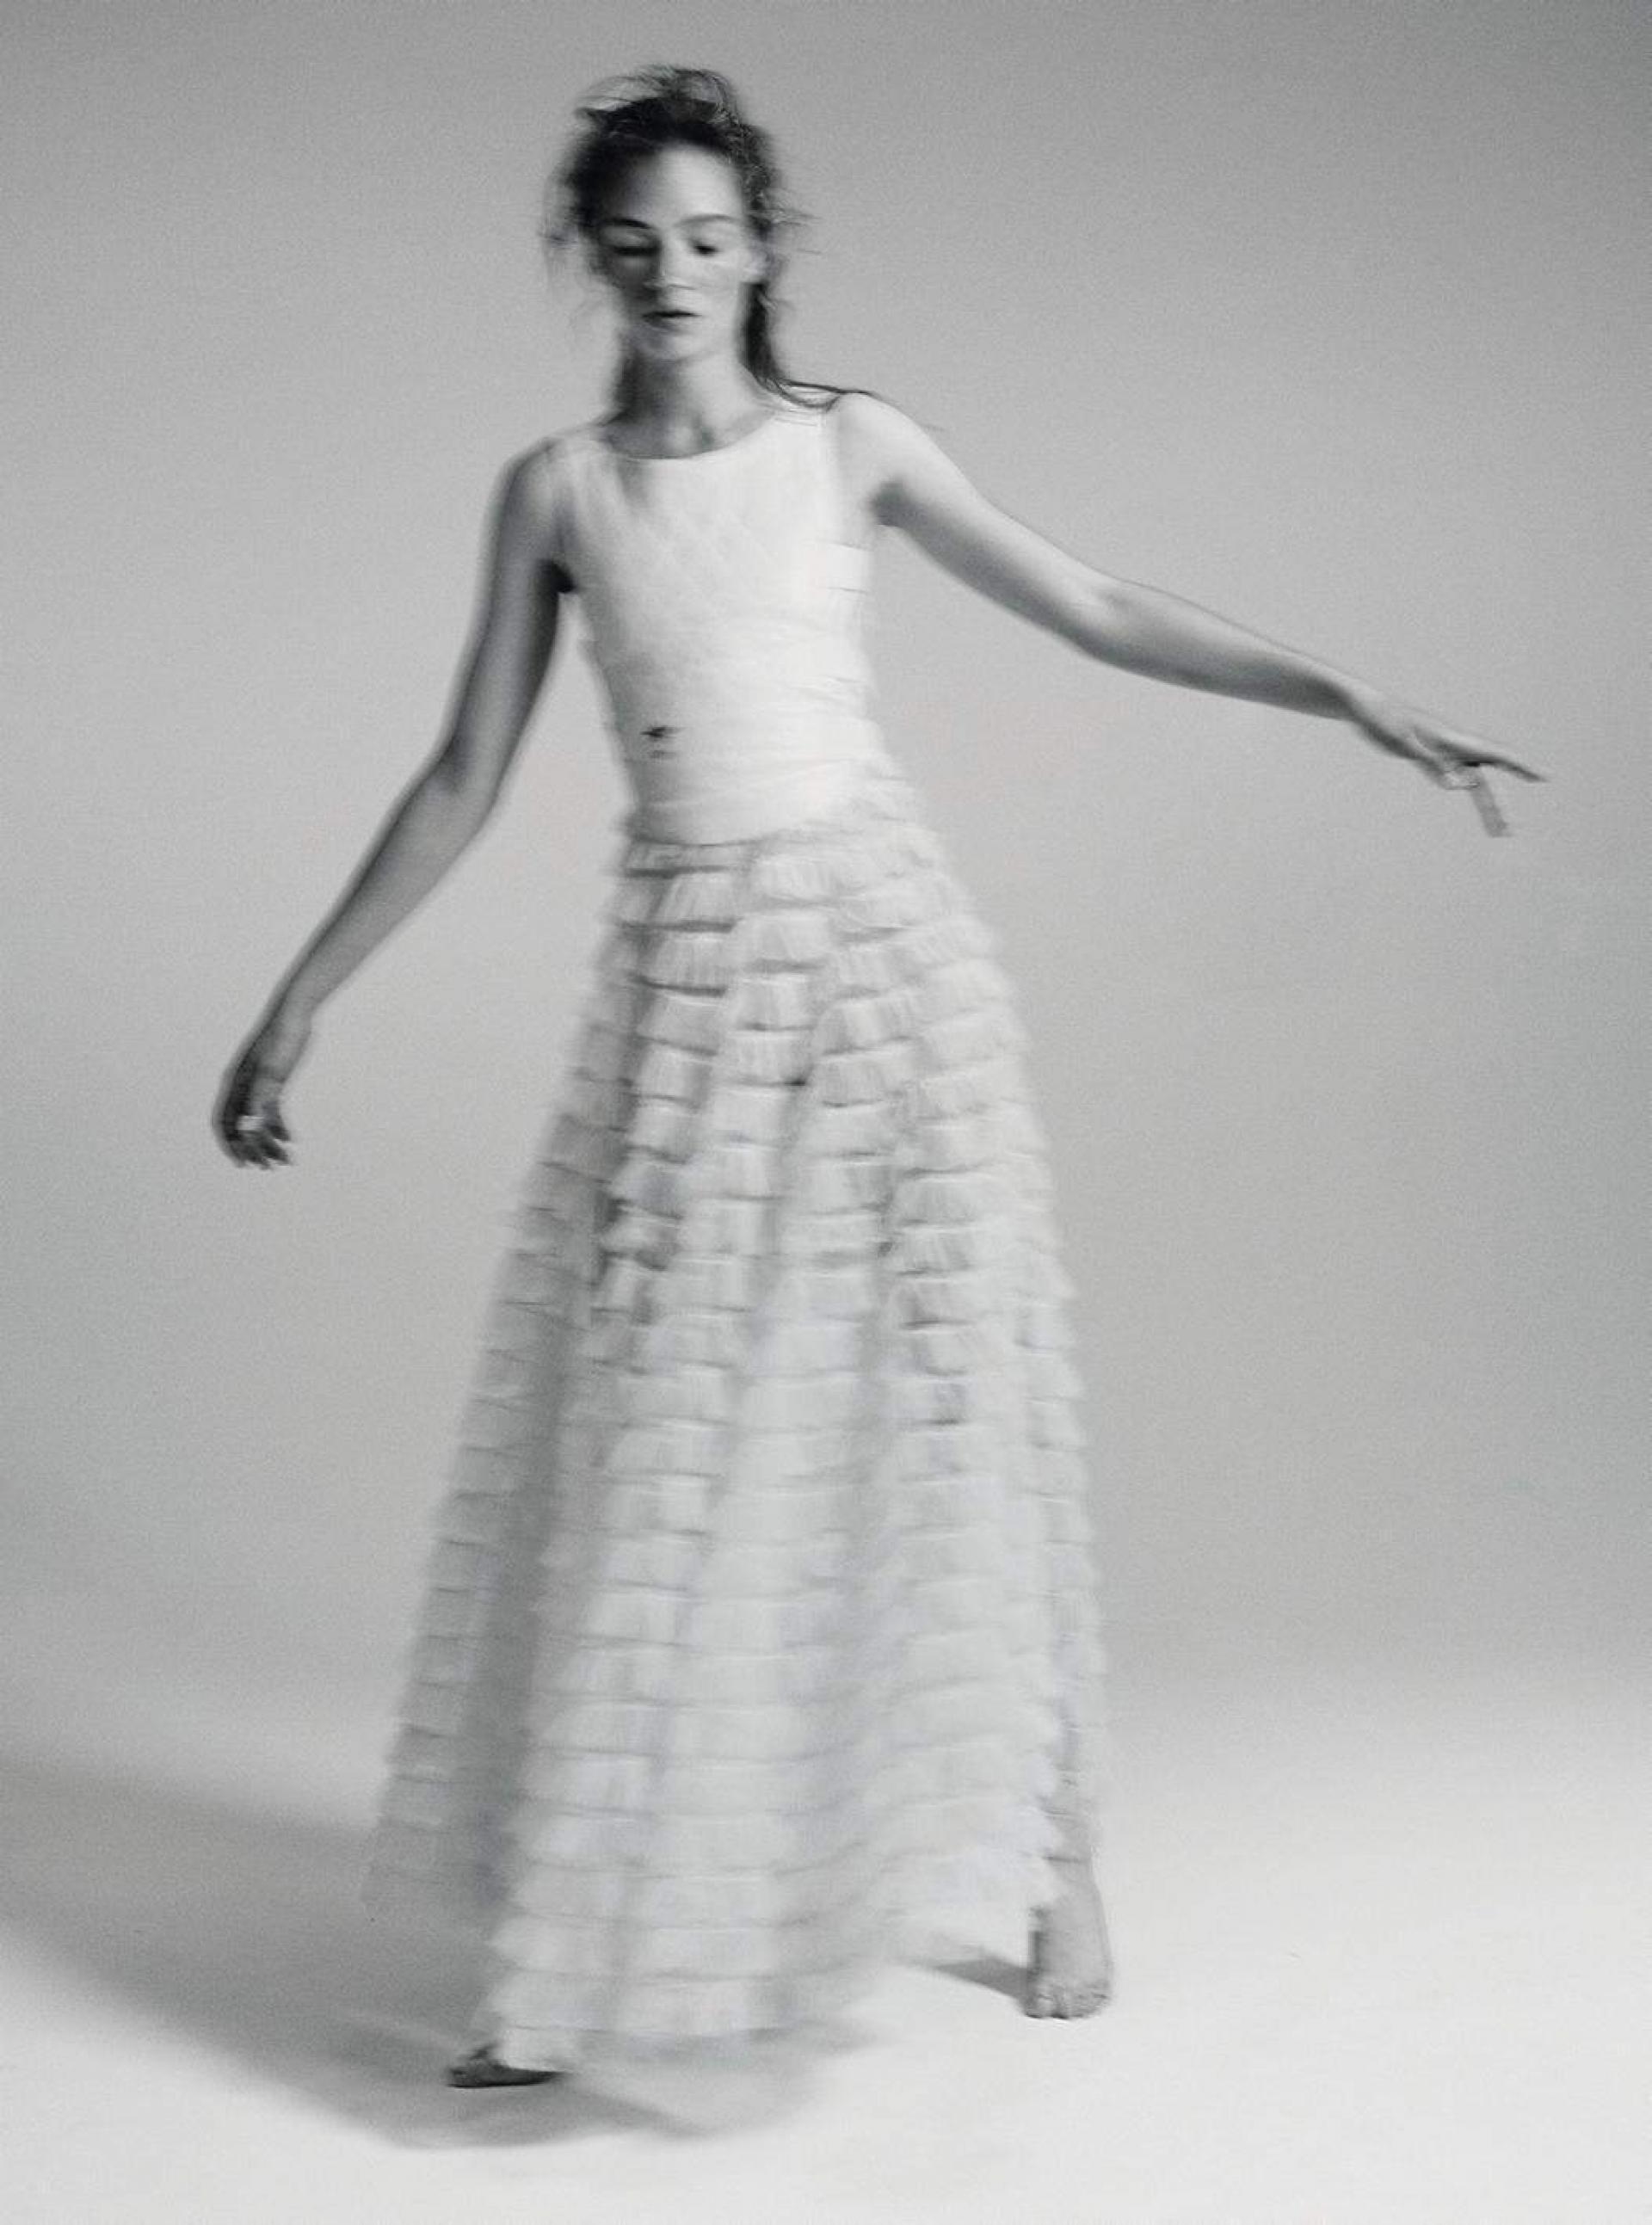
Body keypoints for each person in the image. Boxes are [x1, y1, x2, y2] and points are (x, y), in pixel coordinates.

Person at [212, 66, 1545, 2086]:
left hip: (881, 960)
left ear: (764, 251)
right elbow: (466, 769)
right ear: (591, 261)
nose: (674, 274)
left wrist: (1348, 694)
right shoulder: (559, 492)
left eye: (710, 238)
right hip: (688, 985)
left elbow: (1094, 606)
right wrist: (303, 995)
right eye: (635, 244)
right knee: (652, 1439)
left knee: (952, 1397)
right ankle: (581, 1948)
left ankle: (1060, 1865)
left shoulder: (853, 448)